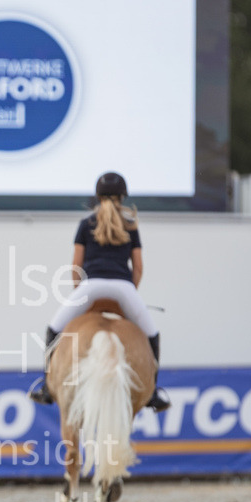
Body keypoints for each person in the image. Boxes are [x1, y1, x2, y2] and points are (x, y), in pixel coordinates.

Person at [29, 172, 170, 411]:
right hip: (123, 288)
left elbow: (76, 267)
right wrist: (129, 293)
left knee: (54, 329)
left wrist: (80, 294)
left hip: (90, 287)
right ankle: (153, 391)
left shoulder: (86, 224)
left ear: (98, 196)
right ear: (122, 196)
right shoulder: (130, 225)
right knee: (152, 335)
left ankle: (46, 385)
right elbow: (138, 268)